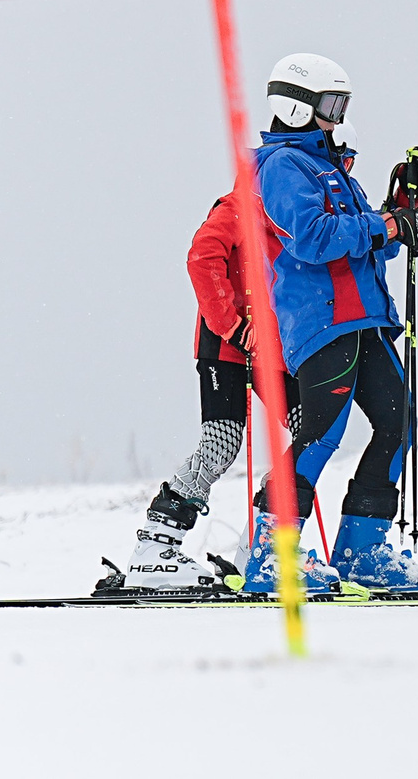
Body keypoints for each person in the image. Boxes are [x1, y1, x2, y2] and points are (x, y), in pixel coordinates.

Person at [239, 54, 418, 592]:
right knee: (321, 431)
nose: (337, 118)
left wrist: (402, 212)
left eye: (342, 105)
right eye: (329, 105)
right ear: (295, 106)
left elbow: (367, 248)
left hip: (365, 317)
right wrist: (383, 224)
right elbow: (314, 238)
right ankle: (271, 552)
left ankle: (361, 548)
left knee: (399, 424)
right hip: (321, 320)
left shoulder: (331, 169)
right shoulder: (280, 167)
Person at [121, 191, 309, 588]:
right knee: (221, 445)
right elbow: (202, 257)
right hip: (226, 343)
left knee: (313, 432)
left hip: (274, 348)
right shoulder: (243, 203)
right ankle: (156, 547)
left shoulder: (296, 204)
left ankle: (262, 545)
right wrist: (232, 324)